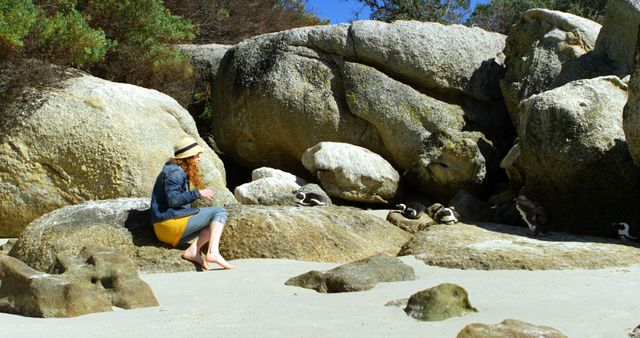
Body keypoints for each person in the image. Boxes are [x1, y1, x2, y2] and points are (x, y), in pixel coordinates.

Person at [150, 137, 235, 270]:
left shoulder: (175, 170)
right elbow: (173, 200)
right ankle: (213, 252)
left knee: (212, 224)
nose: (199, 159)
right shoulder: (174, 172)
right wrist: (198, 193)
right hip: (168, 224)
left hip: (167, 227)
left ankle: (192, 251)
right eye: (196, 156)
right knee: (219, 211)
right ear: (188, 157)